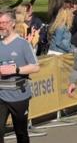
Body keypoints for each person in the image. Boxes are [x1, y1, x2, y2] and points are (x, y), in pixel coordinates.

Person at [0, 10, 40, 143]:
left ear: (12, 24)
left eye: (4, 22)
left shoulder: (23, 44)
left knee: (21, 133)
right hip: (1, 95)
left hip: (19, 96)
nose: (1, 25)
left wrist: (15, 69)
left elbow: (35, 67)